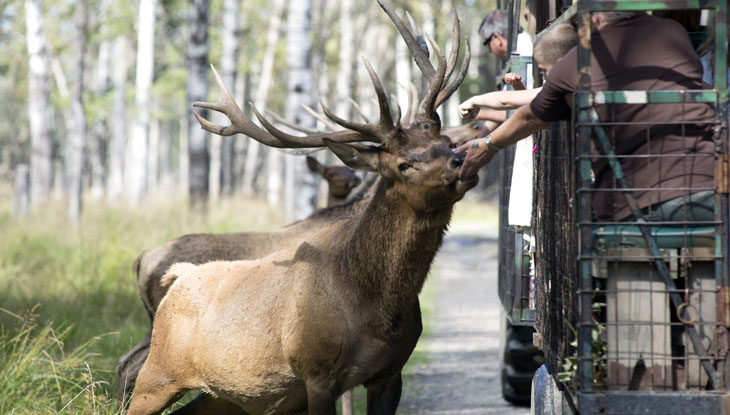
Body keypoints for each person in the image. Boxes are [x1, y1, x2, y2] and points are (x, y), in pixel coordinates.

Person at [456, 11, 717, 223]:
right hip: (711, 184)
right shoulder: (673, 32)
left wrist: (489, 144)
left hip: (639, 202)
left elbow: (530, 117)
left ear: (596, 18)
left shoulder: (580, 60)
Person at [459, 23, 578, 119]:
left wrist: (475, 101)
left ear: (560, 64)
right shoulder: (574, 84)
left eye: (544, 70)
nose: (545, 77)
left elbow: (505, 101)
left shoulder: (565, 87)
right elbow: (526, 103)